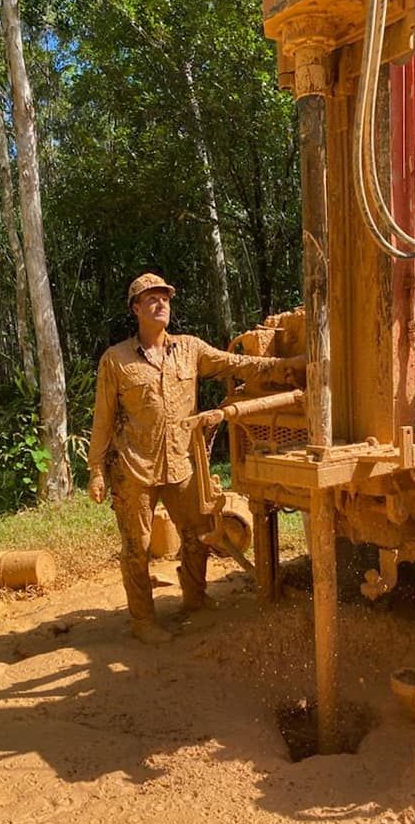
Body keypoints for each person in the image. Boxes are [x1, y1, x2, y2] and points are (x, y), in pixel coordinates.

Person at [88, 272, 305, 645]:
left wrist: (286, 365)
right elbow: (103, 418)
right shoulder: (117, 361)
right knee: (137, 547)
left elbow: (235, 364)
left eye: (165, 298)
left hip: (180, 463)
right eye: (151, 299)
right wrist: (96, 470)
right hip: (133, 468)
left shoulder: (189, 349)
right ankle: (143, 620)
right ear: (136, 308)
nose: (161, 304)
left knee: (199, 532)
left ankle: (194, 597)